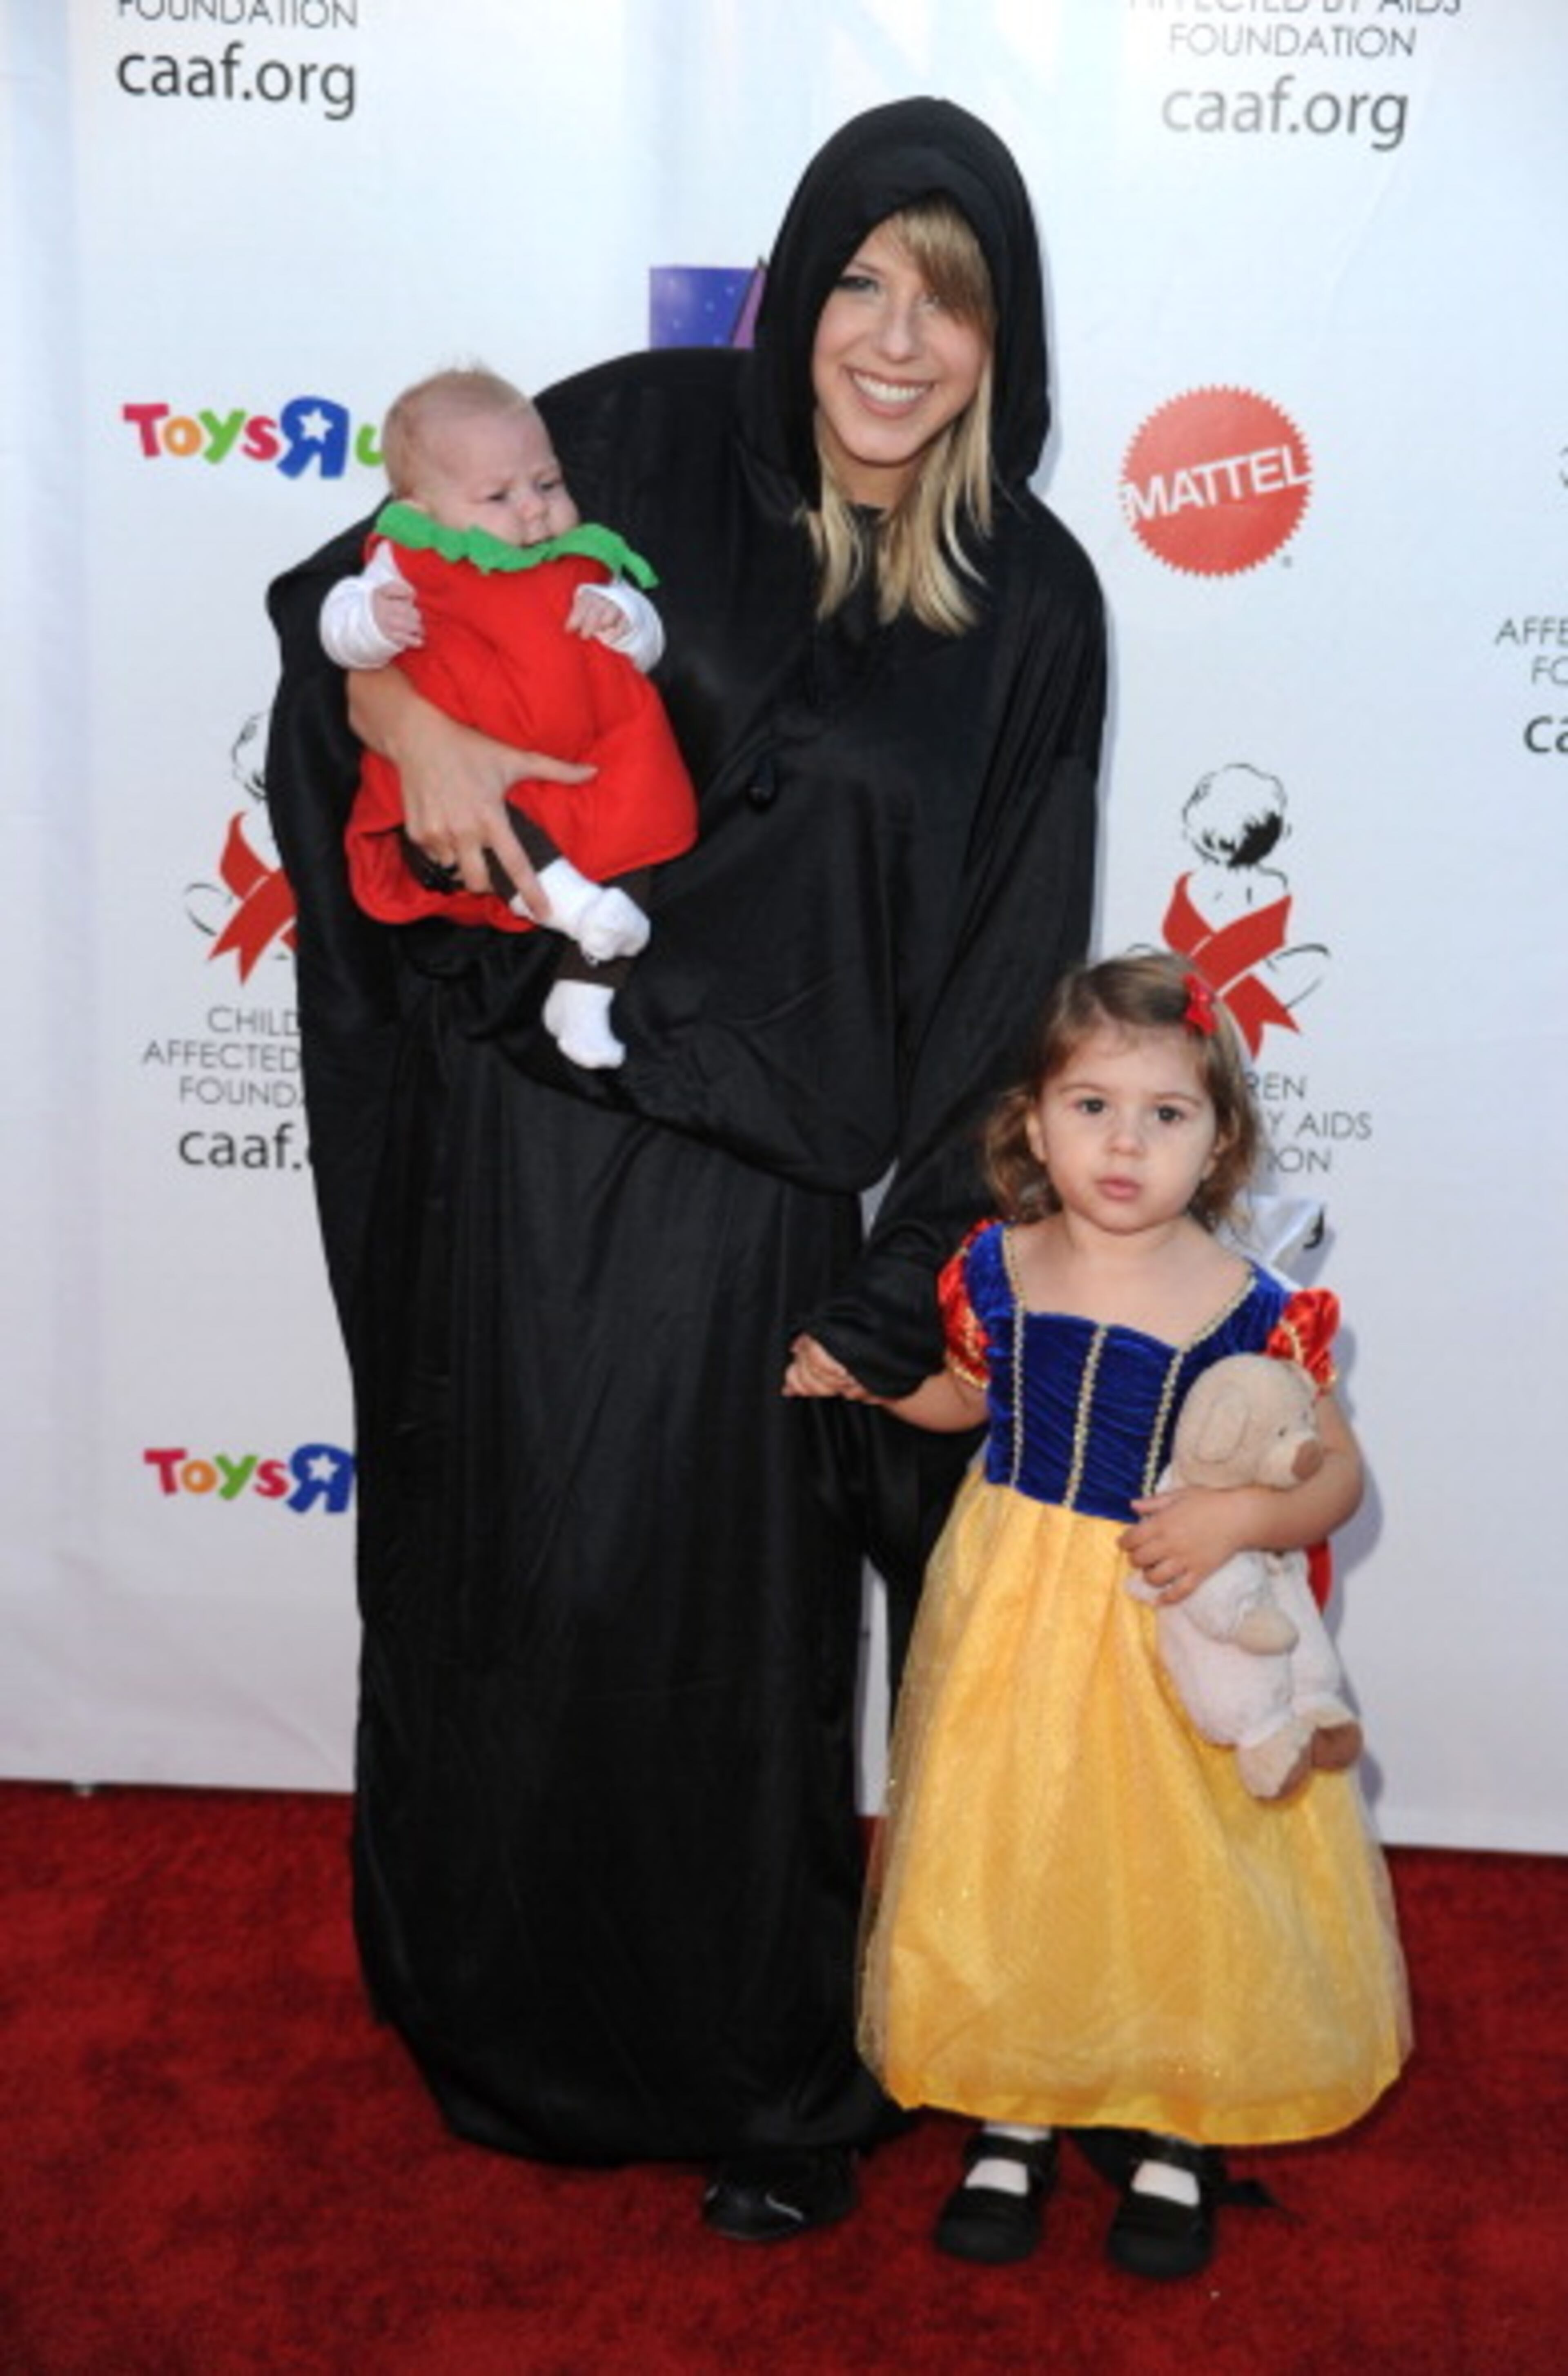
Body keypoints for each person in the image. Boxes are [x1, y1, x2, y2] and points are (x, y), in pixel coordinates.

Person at [263, 97, 1106, 2240]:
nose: (898, 342)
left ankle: (754, 2068)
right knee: (507, 1591)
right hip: (514, 1136)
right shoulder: (626, 438)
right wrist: (409, 734)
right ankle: (495, 2011)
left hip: (749, 1197)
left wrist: (907, 1269)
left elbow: (1013, 958)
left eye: (953, 301)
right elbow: (345, 599)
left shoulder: (1033, 600)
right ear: (798, 279)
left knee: (724, 1650)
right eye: (859, 281)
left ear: (1009, 338)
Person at [788, 954, 1410, 2276]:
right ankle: (1017, 2108)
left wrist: (1238, 1520)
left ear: (1220, 1140)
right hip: (1012, 1600)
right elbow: (971, 1401)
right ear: (1031, 1123)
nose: (1125, 1143)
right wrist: (878, 1390)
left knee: (1182, 1868)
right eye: (1092, 1108)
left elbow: (1332, 1473)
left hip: (1163, 1619)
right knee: (1022, 1844)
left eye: (1166, 1116)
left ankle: (1177, 2119)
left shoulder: (1253, 1309)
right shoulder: (993, 1268)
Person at [321, 366, 697, 1069]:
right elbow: (337, 630)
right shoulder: (407, 558)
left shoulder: (583, 558)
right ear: (422, 507)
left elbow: (650, 641)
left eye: (547, 484)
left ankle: (583, 994)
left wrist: (620, 618)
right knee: (488, 828)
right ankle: (569, 906)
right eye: (498, 495)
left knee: (643, 838)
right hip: (476, 779)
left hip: (589, 770)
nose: (532, 510)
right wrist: (373, 620)